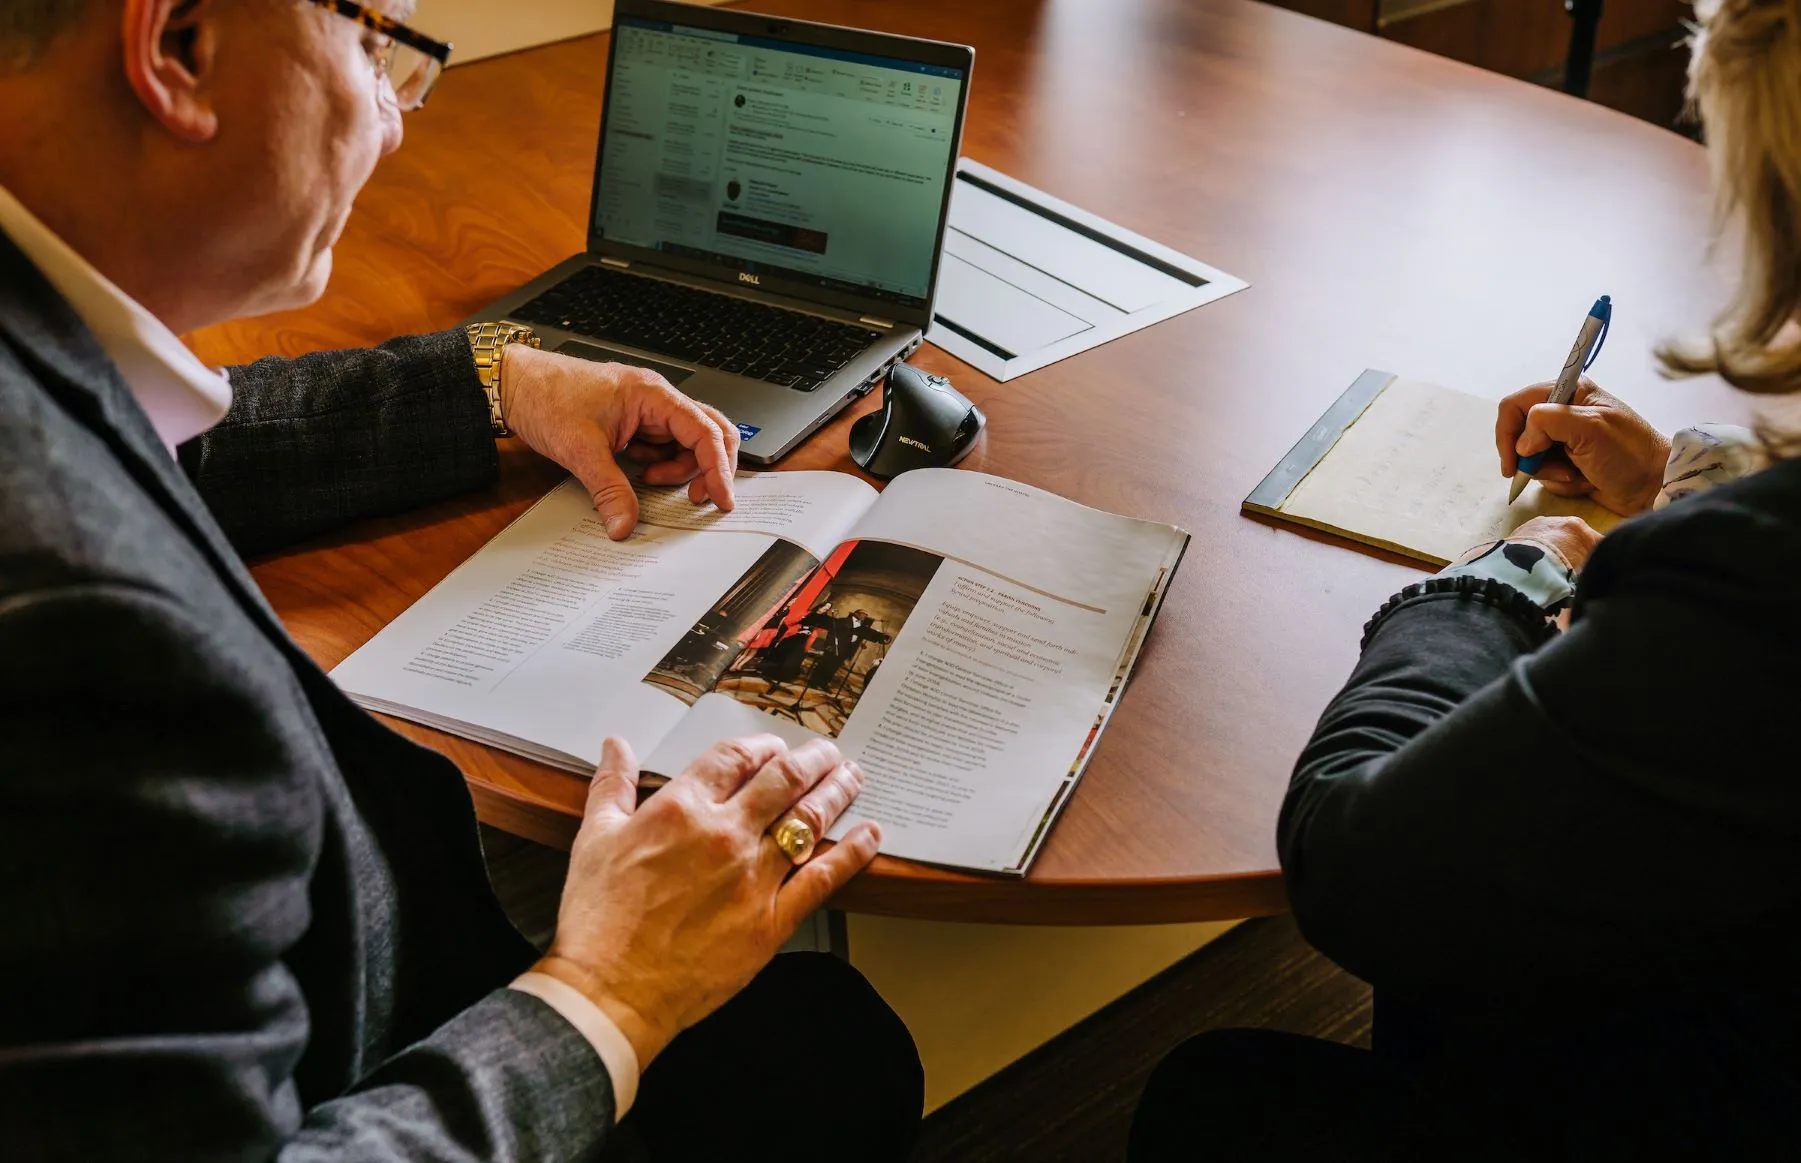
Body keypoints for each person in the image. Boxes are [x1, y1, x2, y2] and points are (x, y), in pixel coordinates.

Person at [0, 1, 923, 1159]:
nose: (392, 120)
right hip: (346, 1060)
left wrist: (496, 380)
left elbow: (152, 432)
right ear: (178, 45)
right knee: (828, 1061)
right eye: (372, 41)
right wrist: (608, 992)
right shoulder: (78, 630)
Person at [1130, 0, 1801, 1158]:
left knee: (1206, 1097)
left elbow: (1351, 857)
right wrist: (1678, 472)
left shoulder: (1739, 593)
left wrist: (1496, 583)